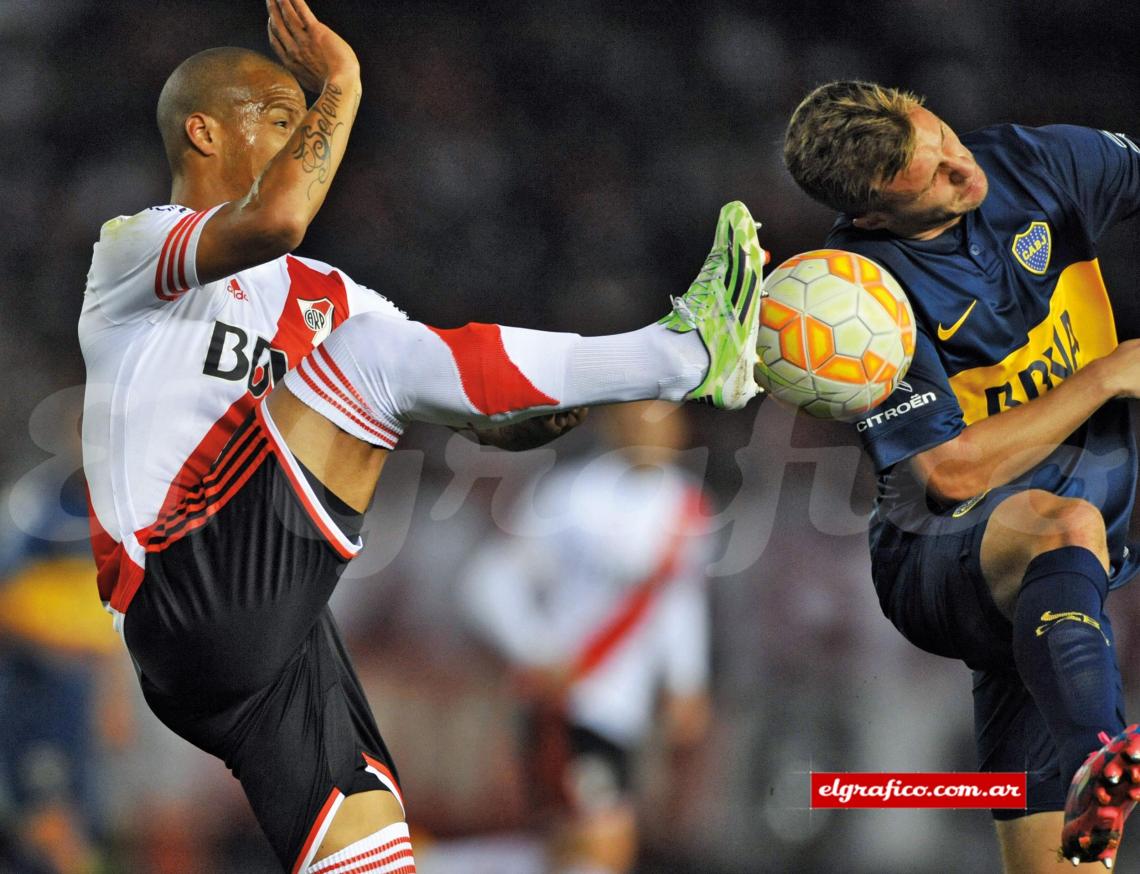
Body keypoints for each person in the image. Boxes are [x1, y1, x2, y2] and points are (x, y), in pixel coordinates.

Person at [78, 2, 766, 872]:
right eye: (285, 122)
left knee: (371, 847)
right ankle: (682, 354)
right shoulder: (135, 251)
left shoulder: (327, 291)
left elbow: (449, 389)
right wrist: (346, 83)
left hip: (273, 645)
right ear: (204, 133)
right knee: (364, 359)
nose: (305, 145)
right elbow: (282, 223)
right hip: (185, 590)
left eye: (309, 124)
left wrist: (525, 422)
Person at [783, 80, 1140, 871]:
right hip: (939, 554)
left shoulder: (1035, 163)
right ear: (873, 213)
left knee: (1068, 867)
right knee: (1062, 524)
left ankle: (1092, 780)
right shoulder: (856, 297)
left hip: (1060, 593)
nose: (958, 164)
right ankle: (1101, 760)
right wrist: (1104, 376)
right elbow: (948, 471)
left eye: (940, 133)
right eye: (931, 173)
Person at [461, 401, 712, 874]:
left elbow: (680, 602)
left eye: (664, 421)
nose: (653, 433)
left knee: (574, 851)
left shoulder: (687, 505)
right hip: (567, 703)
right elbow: (489, 582)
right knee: (598, 847)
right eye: (640, 419)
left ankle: (443, 864)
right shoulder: (569, 496)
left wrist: (686, 681)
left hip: (627, 714)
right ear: (614, 424)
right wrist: (536, 651)